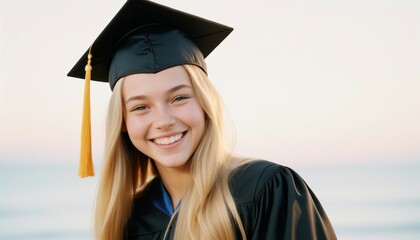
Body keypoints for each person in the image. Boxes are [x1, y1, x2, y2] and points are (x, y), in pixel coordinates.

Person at [68, 0, 337, 239]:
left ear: (204, 103)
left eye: (179, 98)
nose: (163, 120)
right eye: (140, 107)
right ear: (123, 123)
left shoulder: (265, 190)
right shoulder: (130, 219)